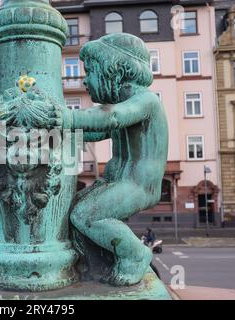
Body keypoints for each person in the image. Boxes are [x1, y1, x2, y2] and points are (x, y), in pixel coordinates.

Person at [67, 33, 169, 286]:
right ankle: (97, 260)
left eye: (90, 71)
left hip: (137, 186)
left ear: (113, 69)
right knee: (72, 212)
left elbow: (110, 118)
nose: (85, 80)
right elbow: (97, 130)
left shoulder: (145, 101)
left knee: (85, 216)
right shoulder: (124, 106)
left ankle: (134, 254)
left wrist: (64, 117)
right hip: (116, 183)